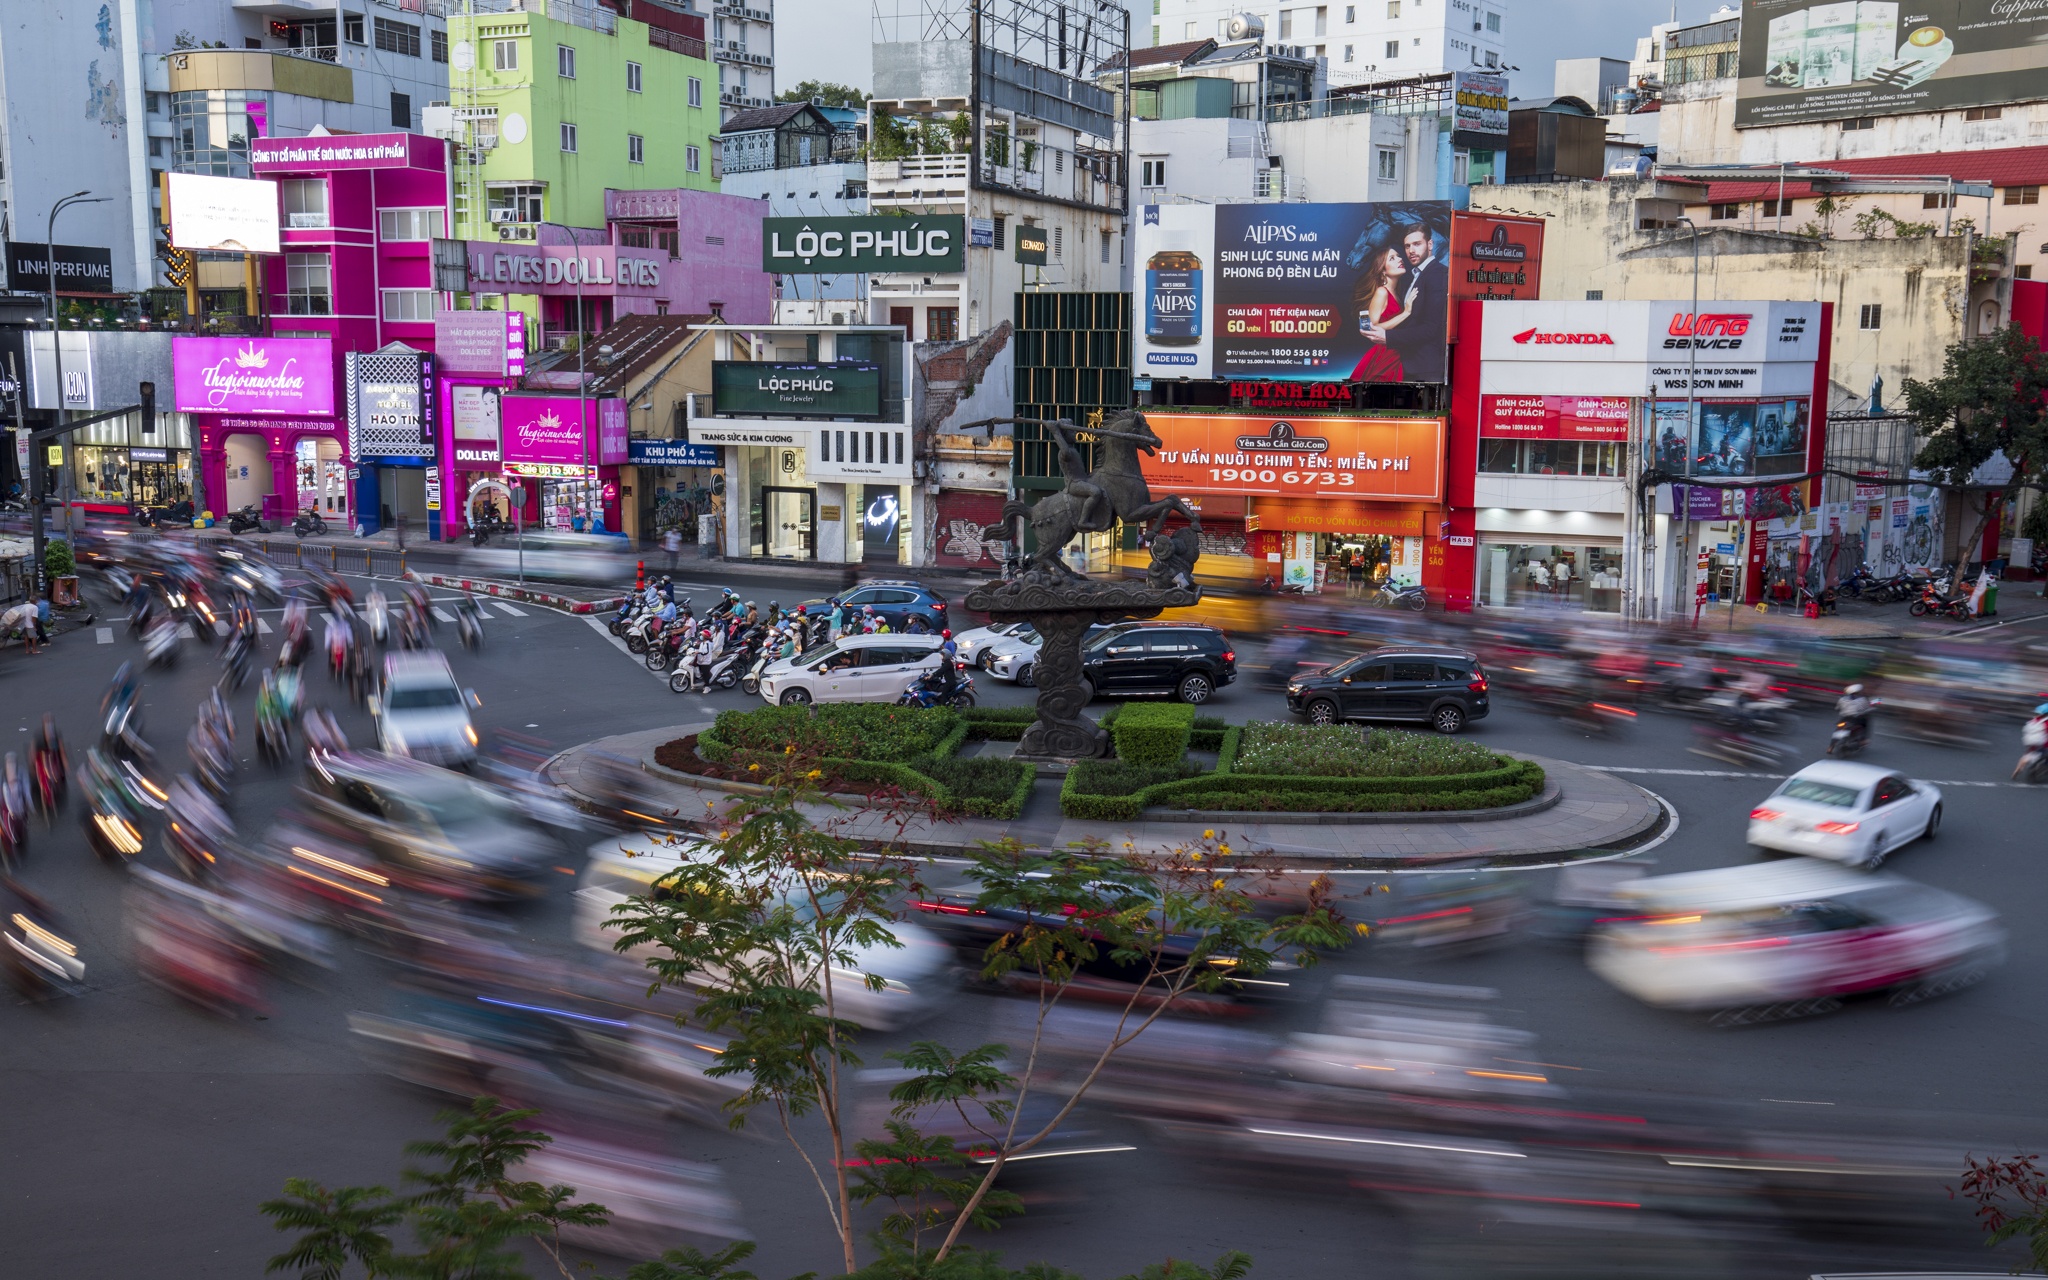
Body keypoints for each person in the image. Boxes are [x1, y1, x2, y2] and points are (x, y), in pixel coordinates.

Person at [1386, 221, 1448, 382]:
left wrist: (1387, 336)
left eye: (1417, 244)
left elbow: (1432, 328)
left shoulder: (1437, 274)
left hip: (1427, 368)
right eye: (1407, 246)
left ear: (1430, 244)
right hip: (1410, 365)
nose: (1411, 251)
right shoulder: (1413, 275)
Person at [1347, 238, 1410, 382]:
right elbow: (1372, 328)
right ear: (1383, 270)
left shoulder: (1398, 294)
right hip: (1385, 355)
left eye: (1398, 256)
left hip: (1396, 353)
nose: (1400, 259)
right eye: (1392, 258)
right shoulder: (1382, 292)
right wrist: (1406, 313)